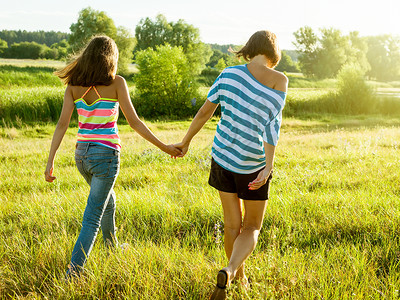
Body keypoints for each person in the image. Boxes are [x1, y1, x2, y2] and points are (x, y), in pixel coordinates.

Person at [44, 35, 181, 278]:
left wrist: (51, 160)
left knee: (108, 200)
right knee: (92, 216)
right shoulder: (117, 83)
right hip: (105, 156)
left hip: (81, 156)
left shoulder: (74, 86)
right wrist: (164, 146)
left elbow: (62, 125)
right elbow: (135, 122)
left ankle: (112, 246)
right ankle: (74, 272)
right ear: (111, 59)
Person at [174, 30, 288, 299]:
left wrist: (186, 141)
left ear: (250, 48)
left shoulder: (228, 74)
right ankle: (233, 269)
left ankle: (239, 276)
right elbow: (273, 127)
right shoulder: (279, 80)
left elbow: (205, 111)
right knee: (252, 227)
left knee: (231, 225)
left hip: (222, 158)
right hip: (252, 163)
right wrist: (267, 166)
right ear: (273, 54)